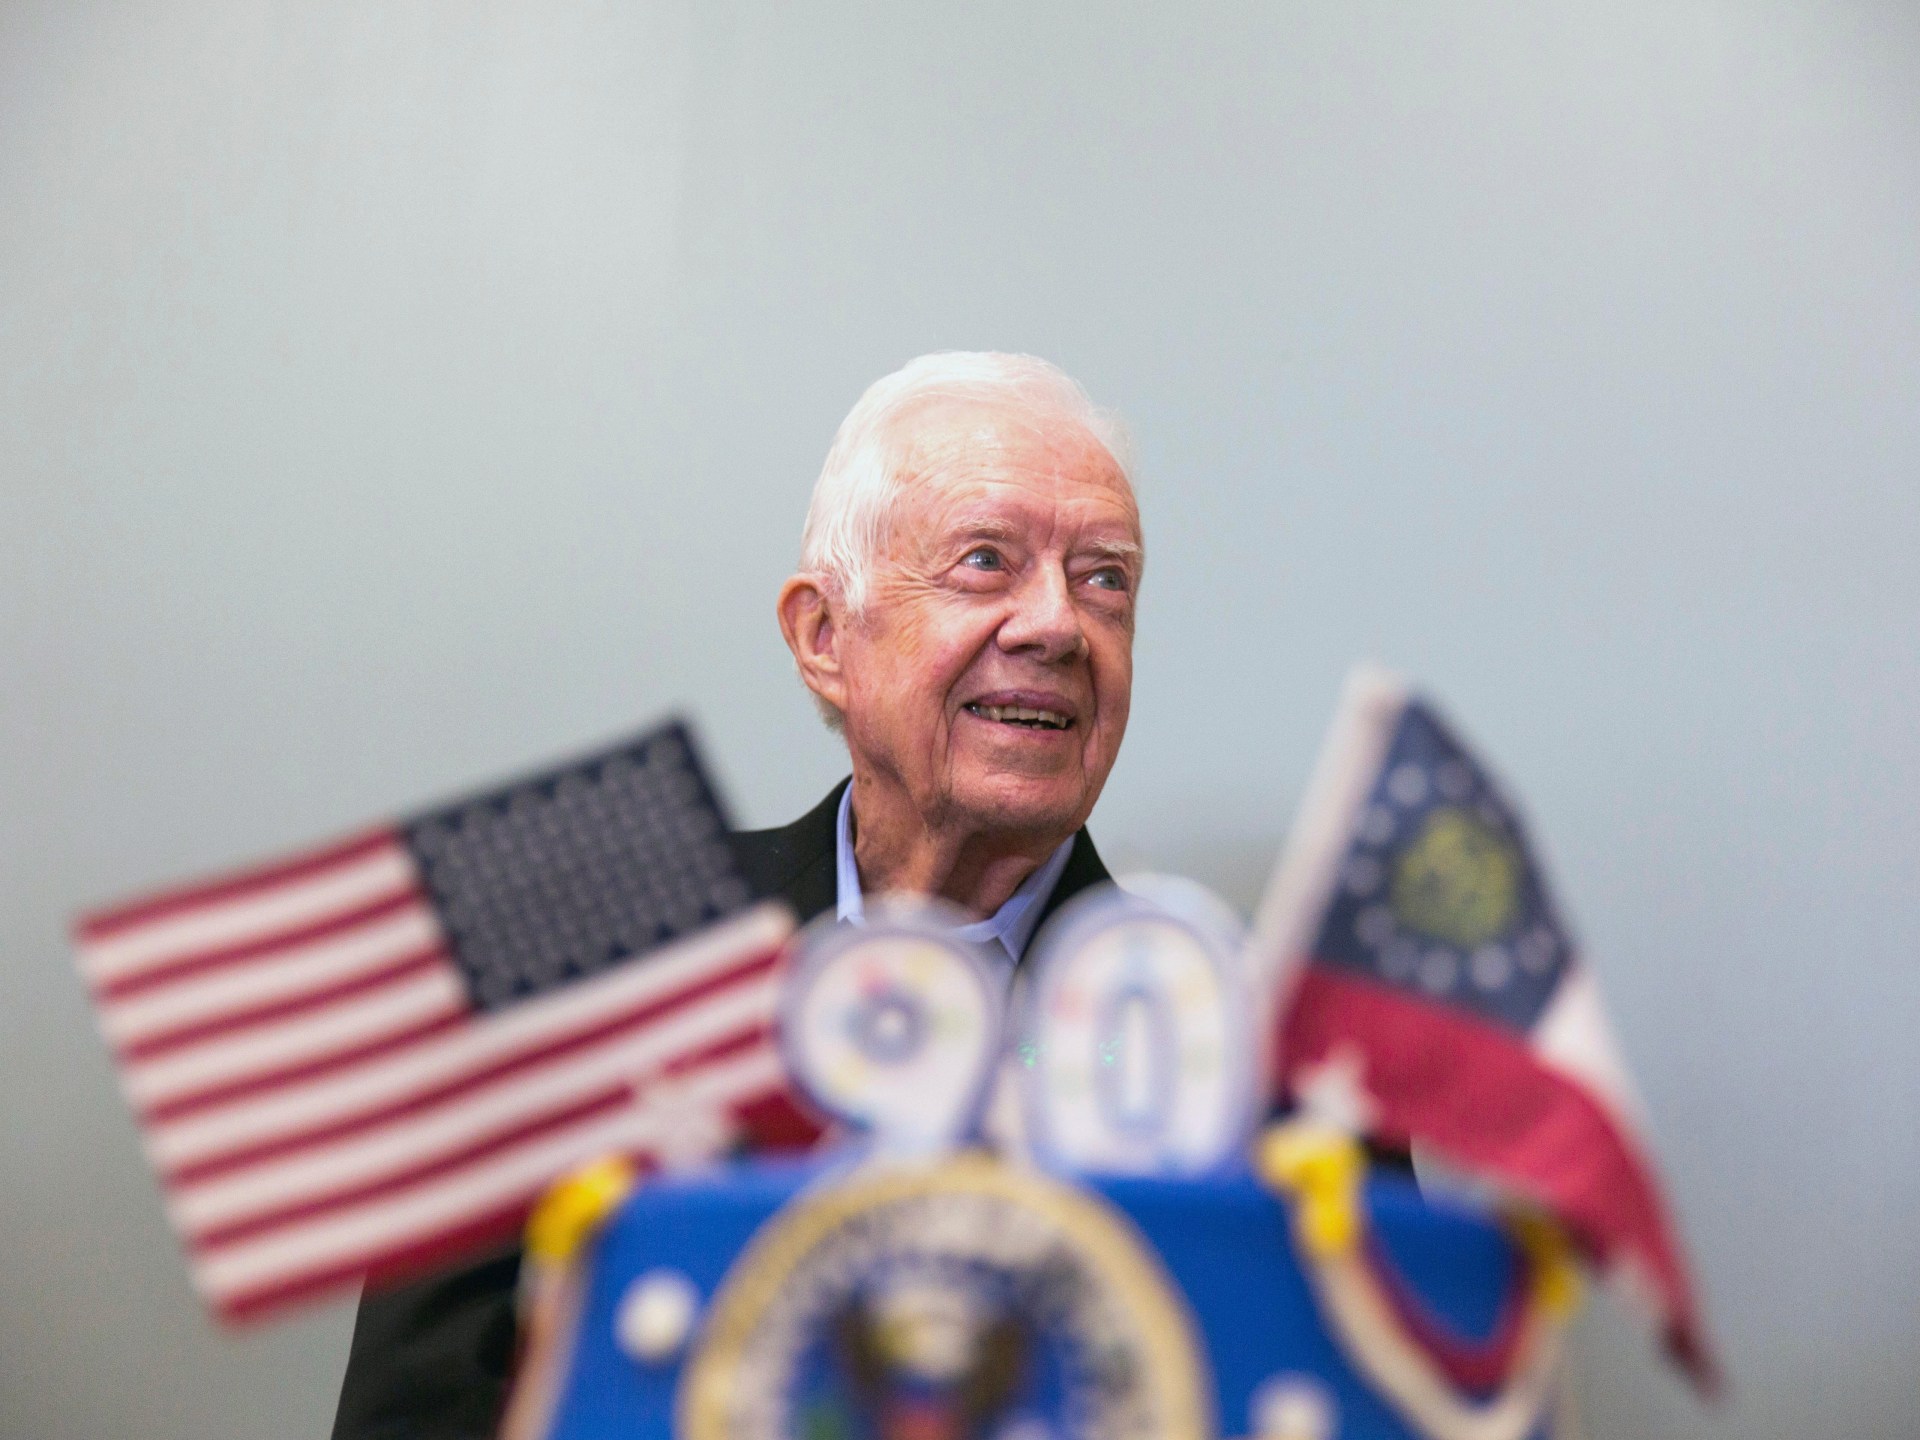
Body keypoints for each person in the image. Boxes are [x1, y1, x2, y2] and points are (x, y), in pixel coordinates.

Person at [331, 352, 1144, 1439]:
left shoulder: (1232, 1048)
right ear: (824, 637)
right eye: (985, 561)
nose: (1057, 625)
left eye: (1104, 579)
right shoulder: (592, 967)